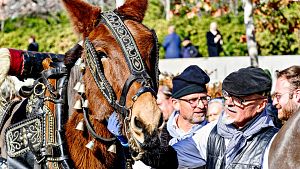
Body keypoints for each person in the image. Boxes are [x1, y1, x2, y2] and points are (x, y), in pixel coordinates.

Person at [137, 66, 278, 169]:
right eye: (228, 96)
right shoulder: (212, 133)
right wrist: (134, 137)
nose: (229, 103)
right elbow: (165, 160)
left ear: (261, 105)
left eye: (239, 99)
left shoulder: (275, 142)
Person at [167, 65, 210, 145]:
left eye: (204, 98)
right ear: (176, 104)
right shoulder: (159, 136)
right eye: (193, 100)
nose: (201, 105)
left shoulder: (213, 135)